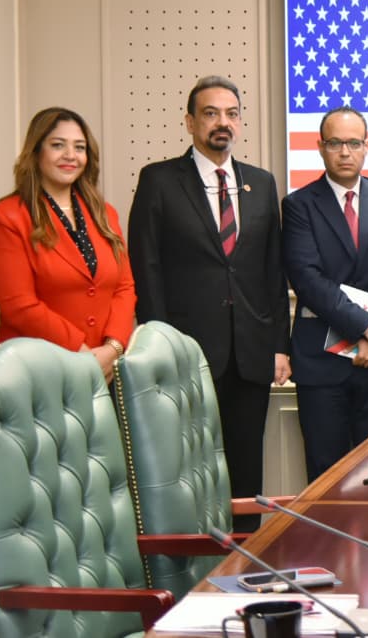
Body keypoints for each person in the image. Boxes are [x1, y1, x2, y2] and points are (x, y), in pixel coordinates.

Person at [128, 76, 290, 520]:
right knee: (186, 470)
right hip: (187, 354)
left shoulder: (261, 182)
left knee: (246, 472)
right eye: (211, 113)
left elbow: (273, 272)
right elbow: (146, 267)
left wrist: (280, 345)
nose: (223, 123)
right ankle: (196, 556)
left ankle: (244, 553)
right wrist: (160, 346)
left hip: (251, 355)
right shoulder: (160, 180)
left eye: (232, 114)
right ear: (190, 122)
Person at [282, 106, 368, 481]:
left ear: (366, 146)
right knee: (327, 476)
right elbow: (308, 279)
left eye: (354, 143)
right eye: (335, 143)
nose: (345, 152)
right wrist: (365, 329)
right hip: (321, 365)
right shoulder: (298, 205)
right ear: (320, 147)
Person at [0, 107, 135, 380]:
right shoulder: (6, 217)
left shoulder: (105, 213)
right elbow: (19, 306)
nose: (70, 155)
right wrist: (81, 352)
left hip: (105, 369)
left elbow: (124, 287)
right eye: (57, 145)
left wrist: (112, 348)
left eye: (79, 147)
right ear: (36, 151)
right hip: (36, 371)